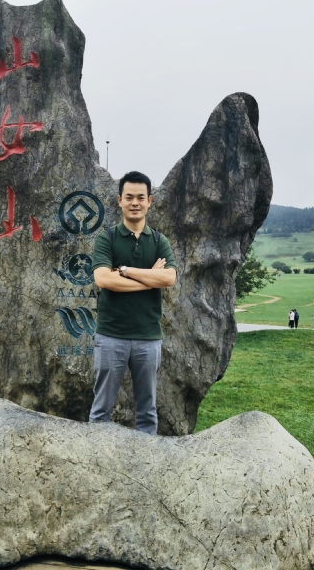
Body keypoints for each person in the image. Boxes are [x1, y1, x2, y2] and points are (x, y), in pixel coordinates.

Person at [89, 171, 176, 435]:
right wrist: (151, 278)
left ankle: (146, 465)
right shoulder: (108, 239)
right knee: (101, 408)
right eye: (129, 197)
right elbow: (104, 279)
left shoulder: (160, 241)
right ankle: (97, 459)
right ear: (119, 200)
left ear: (150, 201)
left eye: (141, 197)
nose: (135, 202)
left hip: (148, 338)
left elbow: (169, 278)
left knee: (147, 411)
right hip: (110, 336)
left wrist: (125, 270)